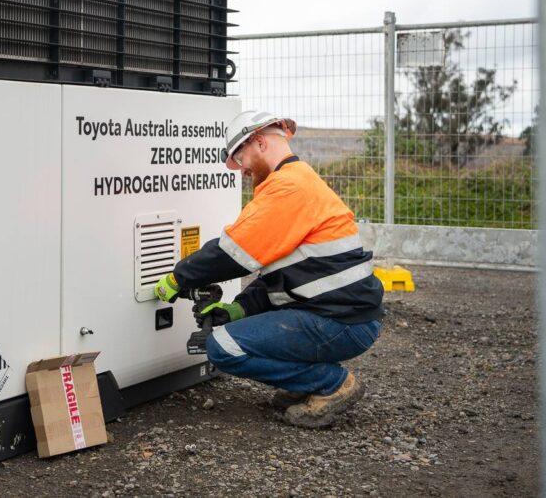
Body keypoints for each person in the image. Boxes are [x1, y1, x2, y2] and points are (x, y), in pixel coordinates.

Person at [154, 110, 383, 428]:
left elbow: (230, 254)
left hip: (340, 322)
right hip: (345, 316)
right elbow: (283, 277)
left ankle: (331, 384)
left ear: (259, 142)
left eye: (240, 157)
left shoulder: (287, 188)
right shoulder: (298, 182)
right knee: (237, 332)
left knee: (223, 347)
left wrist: (178, 277)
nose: (242, 169)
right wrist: (237, 310)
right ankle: (306, 383)